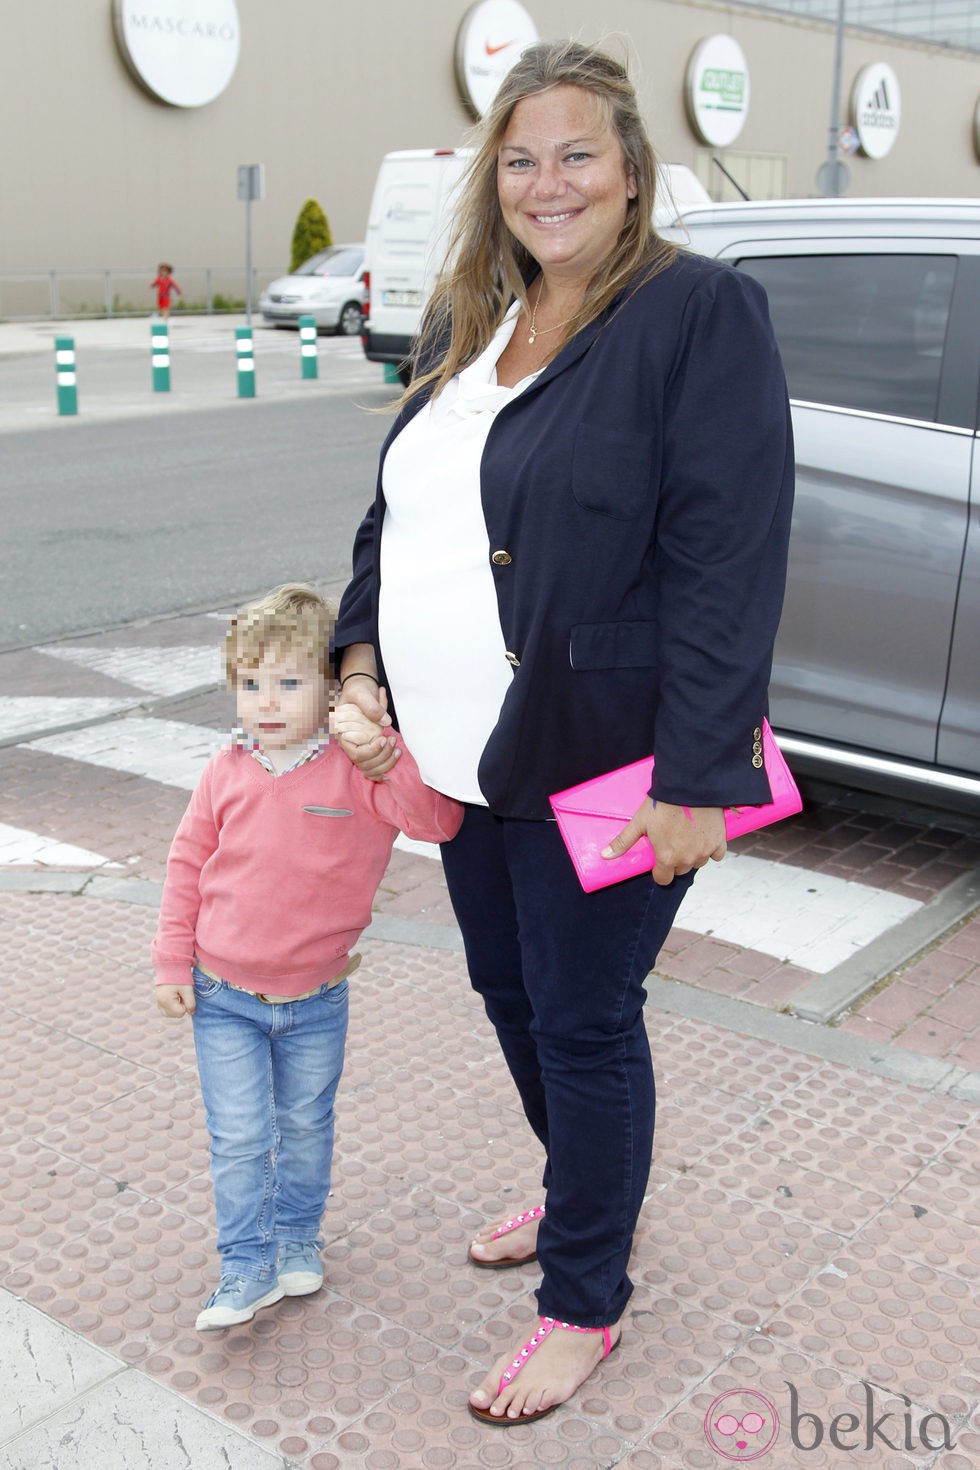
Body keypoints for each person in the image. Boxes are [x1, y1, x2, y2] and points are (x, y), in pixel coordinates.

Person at [335, 39, 794, 1425]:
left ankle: (587, 1293)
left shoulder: (696, 315)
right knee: (511, 994)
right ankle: (583, 1184)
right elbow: (398, 510)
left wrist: (700, 777)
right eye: (522, 157)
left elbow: (730, 553)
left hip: (606, 750)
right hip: (465, 758)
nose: (549, 183)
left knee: (586, 1022)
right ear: (495, 180)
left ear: (635, 172)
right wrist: (361, 650)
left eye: (578, 153)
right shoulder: (471, 320)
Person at [151, 584, 462, 1330]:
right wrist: (170, 962)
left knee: (305, 1126)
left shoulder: (358, 768)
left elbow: (438, 821)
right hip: (223, 992)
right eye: (250, 683)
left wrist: (383, 752)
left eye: (289, 683)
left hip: (317, 1001)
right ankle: (243, 1265)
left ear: (331, 688)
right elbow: (187, 862)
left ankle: (296, 1239)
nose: (266, 701)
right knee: (239, 1136)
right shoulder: (226, 768)